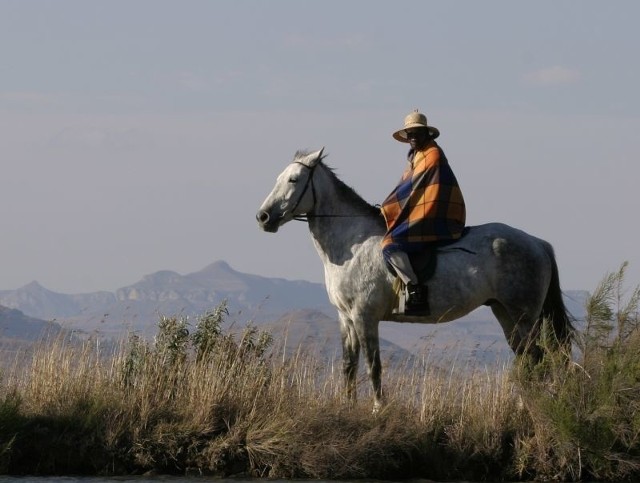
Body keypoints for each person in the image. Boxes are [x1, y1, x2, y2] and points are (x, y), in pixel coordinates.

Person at [380, 110, 466, 314]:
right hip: (422, 209)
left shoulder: (432, 155)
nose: (412, 137)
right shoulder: (416, 156)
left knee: (389, 245)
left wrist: (388, 207)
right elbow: (407, 189)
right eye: (409, 133)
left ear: (427, 133)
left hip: (436, 212)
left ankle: (415, 289)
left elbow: (412, 189)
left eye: (416, 133)